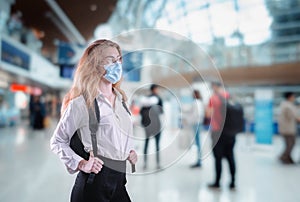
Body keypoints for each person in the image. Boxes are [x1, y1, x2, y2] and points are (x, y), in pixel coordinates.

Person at [50, 39, 137, 202]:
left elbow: (117, 135)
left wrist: (129, 151)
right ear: (95, 64)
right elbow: (57, 141)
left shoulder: (121, 100)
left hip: (119, 181)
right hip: (93, 184)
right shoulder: (82, 103)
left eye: (118, 59)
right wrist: (81, 163)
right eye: (110, 60)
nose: (117, 64)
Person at [206, 81, 236, 189]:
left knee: (218, 158)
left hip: (217, 132)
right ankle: (233, 182)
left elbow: (208, 114)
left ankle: (217, 182)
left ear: (215, 87)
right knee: (230, 156)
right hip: (230, 132)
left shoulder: (213, 98)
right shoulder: (230, 97)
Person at [140, 84, 163, 170]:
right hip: (156, 124)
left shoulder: (145, 99)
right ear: (155, 89)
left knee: (146, 143)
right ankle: (158, 164)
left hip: (147, 124)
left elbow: (141, 112)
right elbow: (161, 112)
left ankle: (145, 163)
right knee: (157, 145)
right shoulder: (158, 99)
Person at [278, 92, 300, 164]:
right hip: (288, 130)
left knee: (290, 144)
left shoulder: (286, 105)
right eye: (293, 96)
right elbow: (292, 117)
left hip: (286, 129)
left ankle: (288, 158)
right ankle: (284, 157)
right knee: (291, 144)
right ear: (289, 97)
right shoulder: (287, 106)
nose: (294, 98)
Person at [188, 89, 205, 168]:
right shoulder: (200, 102)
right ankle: (199, 160)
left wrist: (190, 121)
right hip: (199, 123)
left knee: (198, 143)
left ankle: (199, 161)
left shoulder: (195, 103)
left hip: (196, 123)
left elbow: (195, 114)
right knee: (198, 142)